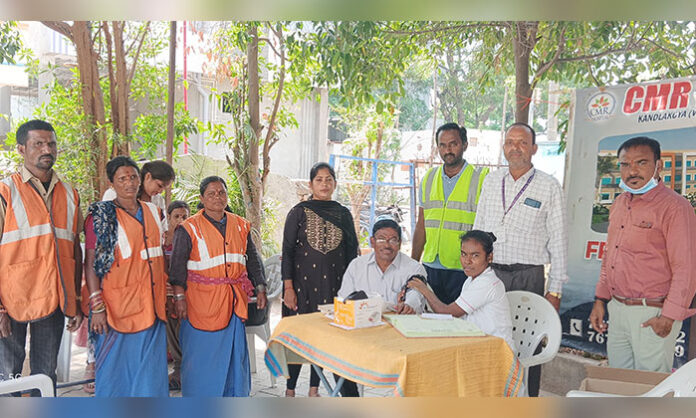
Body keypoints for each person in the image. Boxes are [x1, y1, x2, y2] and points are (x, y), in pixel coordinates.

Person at [472, 122, 567, 397]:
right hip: (491, 276)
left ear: (534, 149)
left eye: (522, 142)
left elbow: (559, 240)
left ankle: (528, 403)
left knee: (529, 345)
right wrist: (473, 274)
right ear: (504, 147)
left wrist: (556, 289)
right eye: (510, 142)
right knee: (488, 340)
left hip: (528, 276)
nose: (516, 147)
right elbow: (478, 228)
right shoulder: (491, 181)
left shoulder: (548, 187)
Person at [589, 136, 696, 372]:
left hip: (653, 313)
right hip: (617, 309)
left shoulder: (675, 208)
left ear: (659, 166)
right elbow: (611, 257)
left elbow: (686, 268)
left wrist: (668, 317)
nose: (632, 171)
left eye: (641, 163)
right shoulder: (619, 204)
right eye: (625, 164)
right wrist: (601, 300)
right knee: (620, 381)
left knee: (650, 391)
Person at [0, 119, 83, 394]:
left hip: (53, 299)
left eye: (51, 144)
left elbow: (74, 249)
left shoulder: (70, 193)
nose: (46, 149)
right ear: (22, 149)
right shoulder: (5, 192)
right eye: (38, 144)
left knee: (45, 376)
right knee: (7, 375)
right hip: (12, 301)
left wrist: (75, 299)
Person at [169, 176, 268, 397]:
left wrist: (260, 287)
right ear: (202, 199)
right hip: (200, 304)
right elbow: (177, 266)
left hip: (233, 302)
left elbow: (252, 258)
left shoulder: (240, 225)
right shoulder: (188, 228)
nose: (217, 197)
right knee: (202, 358)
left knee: (234, 359)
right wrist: (178, 298)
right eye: (211, 194)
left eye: (221, 192)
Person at [84, 156, 168, 397]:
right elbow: (90, 264)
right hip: (118, 308)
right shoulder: (101, 217)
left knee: (151, 374)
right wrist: (97, 306)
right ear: (112, 183)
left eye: (133, 177)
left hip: (153, 306)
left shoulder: (153, 212)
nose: (129, 183)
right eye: (122, 179)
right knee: (116, 374)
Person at [282, 162, 359, 397]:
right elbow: (287, 250)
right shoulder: (299, 211)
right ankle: (290, 389)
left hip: (334, 286)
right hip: (302, 286)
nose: (324, 184)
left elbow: (351, 252)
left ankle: (314, 388)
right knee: (297, 336)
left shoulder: (343, 213)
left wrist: (349, 291)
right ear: (310, 184)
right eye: (319, 180)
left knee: (324, 336)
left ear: (335, 183)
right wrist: (288, 287)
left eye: (328, 179)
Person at [411, 122, 489, 305]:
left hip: (462, 268)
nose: (448, 150)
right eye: (442, 145)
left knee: (458, 325)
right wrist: (413, 264)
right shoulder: (428, 178)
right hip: (430, 266)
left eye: (453, 144)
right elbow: (421, 225)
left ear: (464, 145)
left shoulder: (481, 178)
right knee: (428, 323)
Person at [408, 230, 515, 350]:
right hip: (479, 342)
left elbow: (448, 312)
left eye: (475, 255)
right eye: (464, 254)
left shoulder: (486, 282)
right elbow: (456, 318)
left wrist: (424, 289)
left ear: (489, 257)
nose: (467, 261)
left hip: (497, 349)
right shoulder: (471, 280)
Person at [338, 216, 426, 315]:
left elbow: (415, 296)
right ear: (372, 242)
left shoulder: (414, 268)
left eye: (393, 240)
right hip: (363, 323)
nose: (387, 245)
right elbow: (344, 298)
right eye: (381, 240)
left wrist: (408, 306)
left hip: (400, 324)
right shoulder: (357, 266)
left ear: (400, 243)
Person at [162, 200, 190, 391]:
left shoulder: (191, 237)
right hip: (166, 293)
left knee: (185, 327)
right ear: (169, 218)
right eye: (176, 217)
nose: (180, 221)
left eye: (184, 217)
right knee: (170, 325)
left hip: (188, 292)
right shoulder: (162, 238)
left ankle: (184, 369)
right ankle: (178, 368)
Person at [102, 160, 175, 227]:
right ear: (148, 176)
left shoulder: (158, 200)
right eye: (159, 186)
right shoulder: (113, 194)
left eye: (164, 189)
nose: (160, 191)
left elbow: (162, 228)